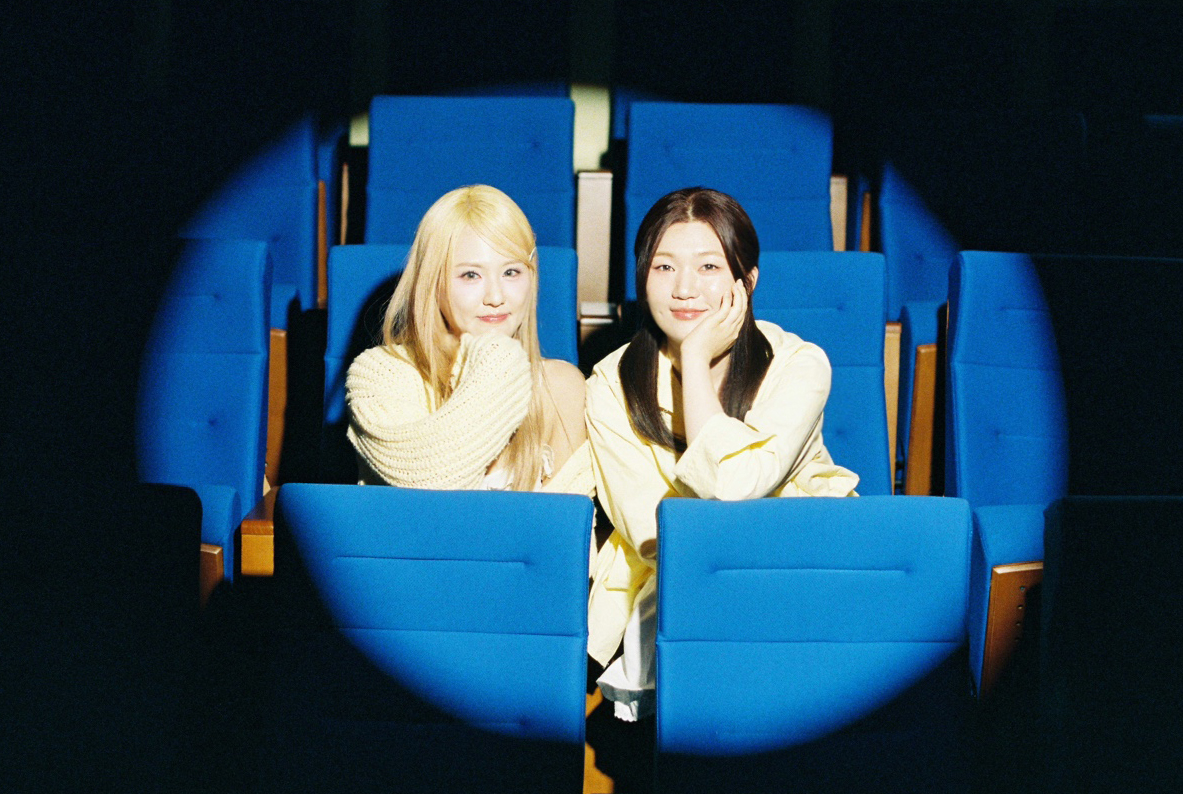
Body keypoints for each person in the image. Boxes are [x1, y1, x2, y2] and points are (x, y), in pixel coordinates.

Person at [585, 187, 859, 721]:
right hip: (687, 585)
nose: (684, 288)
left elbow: (734, 485)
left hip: (802, 568)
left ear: (746, 281)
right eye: (664, 267)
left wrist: (692, 357)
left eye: (708, 266)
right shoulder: (610, 385)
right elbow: (654, 536)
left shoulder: (799, 364)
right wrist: (694, 356)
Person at [345, 184, 592, 502]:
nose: (496, 297)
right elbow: (433, 487)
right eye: (471, 275)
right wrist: (499, 356)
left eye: (511, 272)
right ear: (432, 282)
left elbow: (568, 525)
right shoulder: (381, 374)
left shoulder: (561, 386)